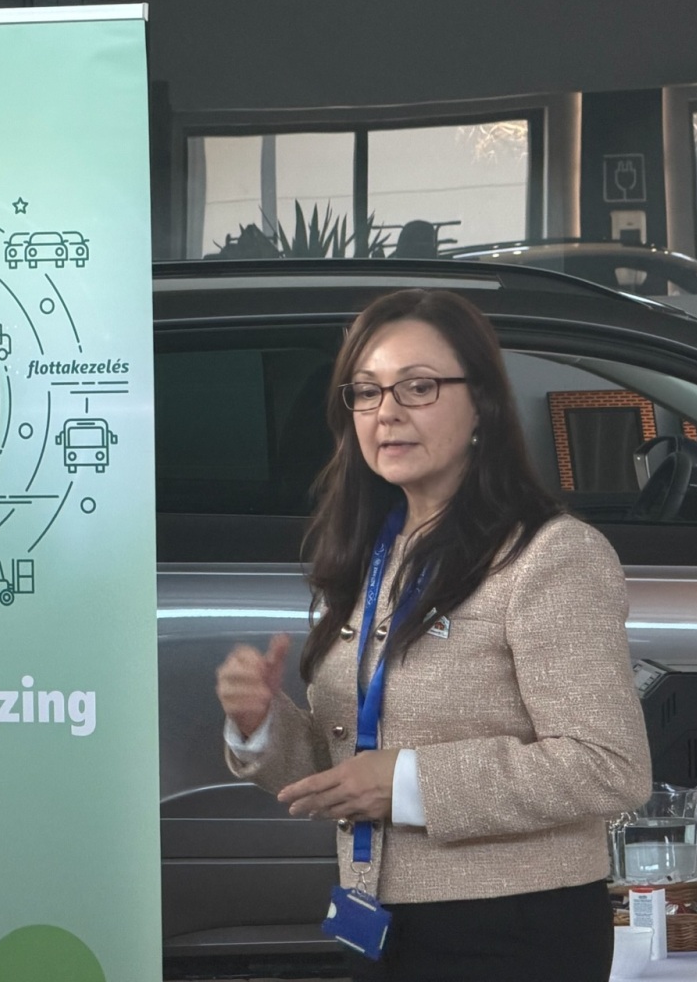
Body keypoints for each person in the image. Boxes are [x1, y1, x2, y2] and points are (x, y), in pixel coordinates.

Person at [215, 288, 652, 981]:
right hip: (378, 922)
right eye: (366, 392)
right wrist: (261, 724)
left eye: (418, 387)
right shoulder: (366, 554)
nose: (386, 412)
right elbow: (350, 766)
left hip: (514, 930)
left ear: (483, 403)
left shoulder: (550, 554)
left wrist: (407, 782)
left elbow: (609, 766)